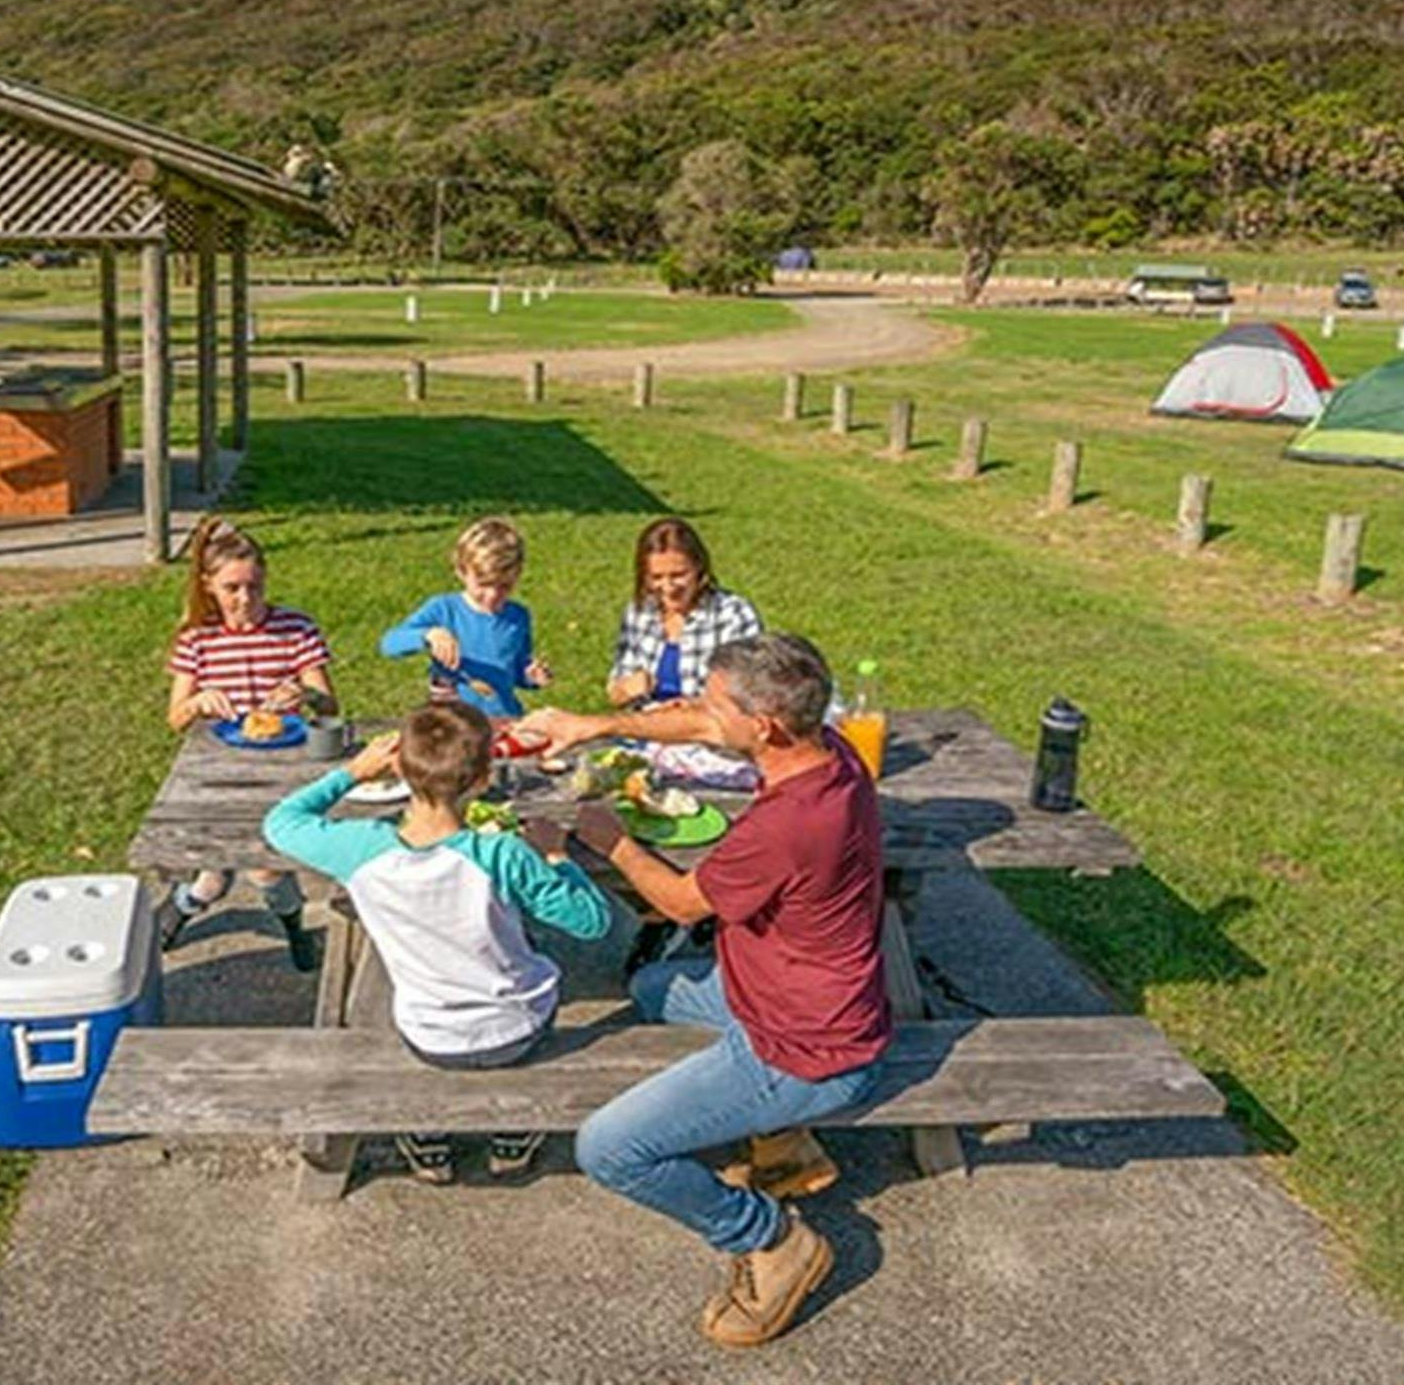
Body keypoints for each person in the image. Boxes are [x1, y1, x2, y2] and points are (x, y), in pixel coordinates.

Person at [522, 633, 890, 1349]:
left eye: (717, 705)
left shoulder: (788, 825)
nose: (698, 710)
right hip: (798, 994)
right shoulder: (831, 751)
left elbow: (686, 905)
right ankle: (783, 1140)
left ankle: (774, 1241)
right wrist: (594, 725)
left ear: (765, 728)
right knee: (656, 987)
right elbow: (699, 722)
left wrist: (611, 840)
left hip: (806, 1046)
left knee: (610, 1150)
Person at [263, 700, 616, 1182]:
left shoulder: (359, 847)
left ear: (400, 771)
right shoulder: (502, 853)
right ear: (482, 779)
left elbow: (280, 823)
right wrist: (556, 856)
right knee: (535, 953)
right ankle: (513, 1136)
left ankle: (428, 1140)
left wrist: (351, 773)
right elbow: (592, 921)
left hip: (427, 1032)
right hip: (518, 1029)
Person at [162, 516, 338, 971]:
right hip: (217, 770)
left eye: (254, 587)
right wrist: (198, 702)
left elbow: (328, 705)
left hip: (280, 766)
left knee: (265, 866)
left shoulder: (295, 628)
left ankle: (294, 928)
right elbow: (175, 720)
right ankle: (181, 908)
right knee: (214, 875)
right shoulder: (197, 640)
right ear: (209, 587)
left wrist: (307, 695)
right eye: (232, 589)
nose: (245, 600)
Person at [381, 516, 551, 719]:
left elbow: (514, 669)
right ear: (461, 571)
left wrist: (531, 675)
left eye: (504, 586)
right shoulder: (444, 610)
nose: (492, 595)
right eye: (483, 585)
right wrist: (428, 635)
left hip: (503, 718)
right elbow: (389, 644)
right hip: (452, 722)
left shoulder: (517, 617)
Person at [607, 517, 763, 709]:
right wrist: (625, 689)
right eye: (656, 577)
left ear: (699, 568)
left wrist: (690, 708)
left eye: (678, 575)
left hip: (706, 732)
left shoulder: (732, 614)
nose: (668, 587)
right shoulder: (640, 612)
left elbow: (748, 696)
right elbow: (616, 694)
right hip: (644, 729)